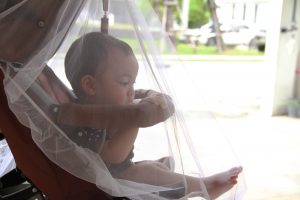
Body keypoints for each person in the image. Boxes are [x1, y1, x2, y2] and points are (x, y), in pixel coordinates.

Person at [64, 32, 243, 199]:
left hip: (121, 168)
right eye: (125, 83)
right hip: (109, 179)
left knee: (150, 167)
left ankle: (164, 172)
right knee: (141, 172)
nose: (131, 92)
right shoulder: (84, 117)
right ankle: (203, 186)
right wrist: (134, 118)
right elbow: (114, 155)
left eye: (133, 83)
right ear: (91, 86)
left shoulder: (105, 108)